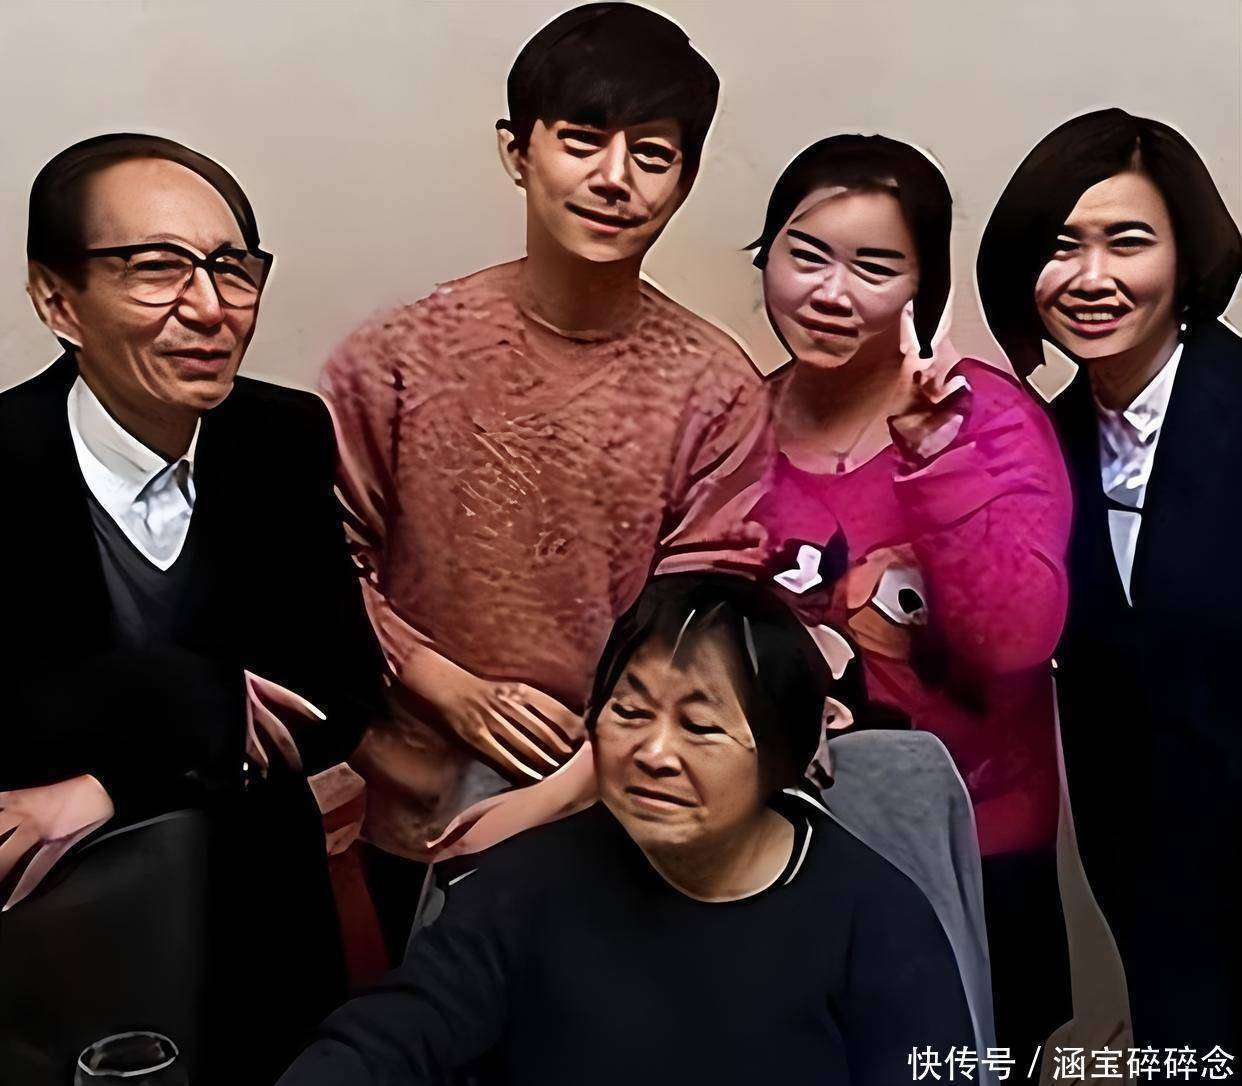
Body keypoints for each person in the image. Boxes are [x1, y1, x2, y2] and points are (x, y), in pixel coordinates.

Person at [323, 2, 766, 963]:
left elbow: (700, 615)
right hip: (417, 802)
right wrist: (448, 688)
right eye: (581, 140)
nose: (614, 178)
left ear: (685, 181)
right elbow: (318, 563)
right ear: (516, 151)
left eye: (652, 154)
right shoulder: (395, 356)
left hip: (623, 801)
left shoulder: (716, 387)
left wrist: (574, 783)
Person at [0, 133, 383, 1083]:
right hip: (50, 937)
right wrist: (185, 695)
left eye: (232, 268)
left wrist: (111, 781)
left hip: (260, 912)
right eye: (156, 268)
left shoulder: (281, 435)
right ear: (57, 299)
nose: (210, 307)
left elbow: (336, 695)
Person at [278, 574, 974, 1086]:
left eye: (700, 726)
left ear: (783, 758)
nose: (654, 752)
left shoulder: (873, 917)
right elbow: (392, 1037)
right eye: (630, 713)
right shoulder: (521, 889)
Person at [743, 134, 1074, 1056]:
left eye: (875, 267)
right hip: (783, 844)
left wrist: (936, 458)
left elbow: (1017, 644)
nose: (831, 292)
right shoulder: (735, 427)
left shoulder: (992, 420)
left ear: (924, 287)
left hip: (978, 846)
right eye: (806, 255)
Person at [977, 107, 1242, 1056]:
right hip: (1150, 887)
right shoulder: (1037, 447)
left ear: (1185, 256)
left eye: (1127, 242)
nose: (1092, 278)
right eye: (1061, 247)